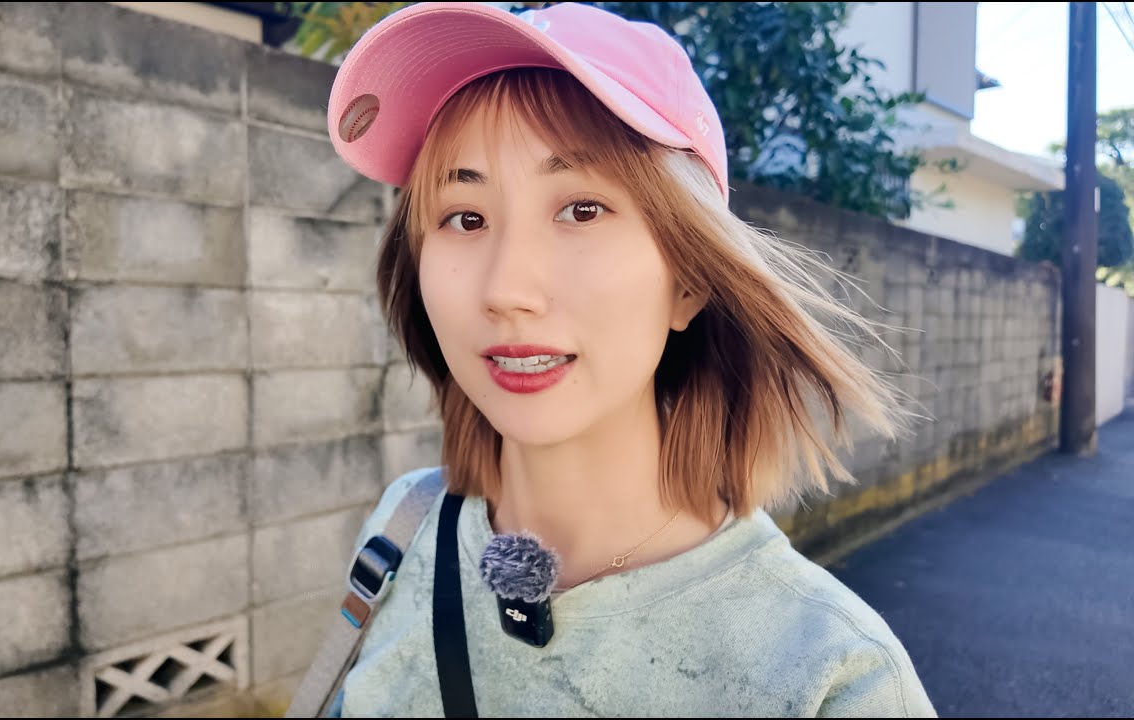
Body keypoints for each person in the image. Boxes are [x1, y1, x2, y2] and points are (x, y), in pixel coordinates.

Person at [320, 2, 936, 717]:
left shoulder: (831, 676)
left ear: (690, 279)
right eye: (465, 217)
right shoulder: (404, 526)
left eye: (581, 209)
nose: (507, 290)